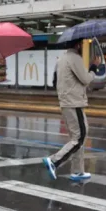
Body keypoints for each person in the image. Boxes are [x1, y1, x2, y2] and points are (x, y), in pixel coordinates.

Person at [43, 39, 95, 182]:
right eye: (81, 44)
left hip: (67, 102)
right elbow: (85, 79)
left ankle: (77, 171)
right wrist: (93, 71)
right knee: (79, 137)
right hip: (74, 103)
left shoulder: (62, 59)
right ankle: (54, 161)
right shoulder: (74, 58)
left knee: (78, 137)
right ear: (77, 44)